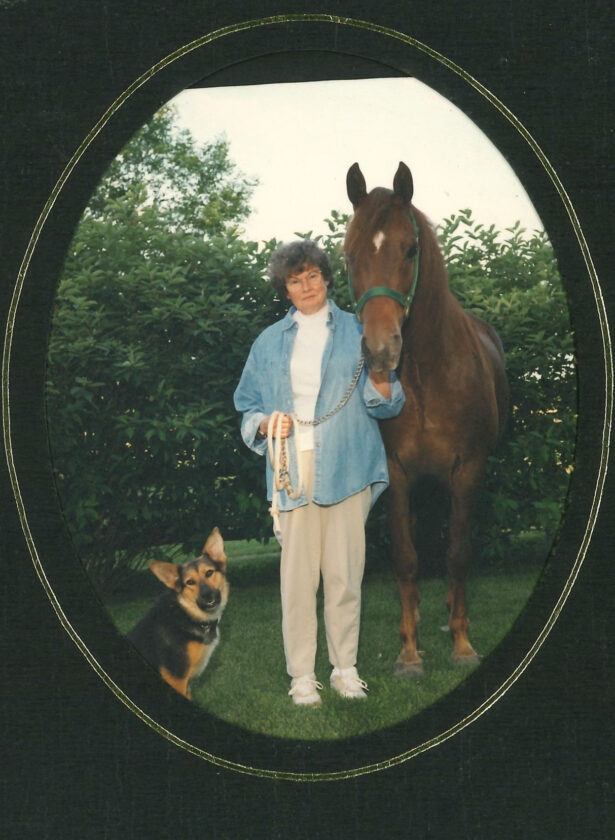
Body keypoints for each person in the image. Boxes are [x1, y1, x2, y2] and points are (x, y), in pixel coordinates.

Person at [233, 240, 405, 707]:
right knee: (297, 581)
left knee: (345, 577)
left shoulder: (359, 330)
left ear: (327, 279)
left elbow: (388, 405)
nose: (306, 286)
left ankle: (345, 670)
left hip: (348, 464)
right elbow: (247, 407)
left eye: (312, 276)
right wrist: (264, 424)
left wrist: (383, 379)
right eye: (295, 280)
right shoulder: (268, 342)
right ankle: (302, 676)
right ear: (285, 289)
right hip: (292, 468)